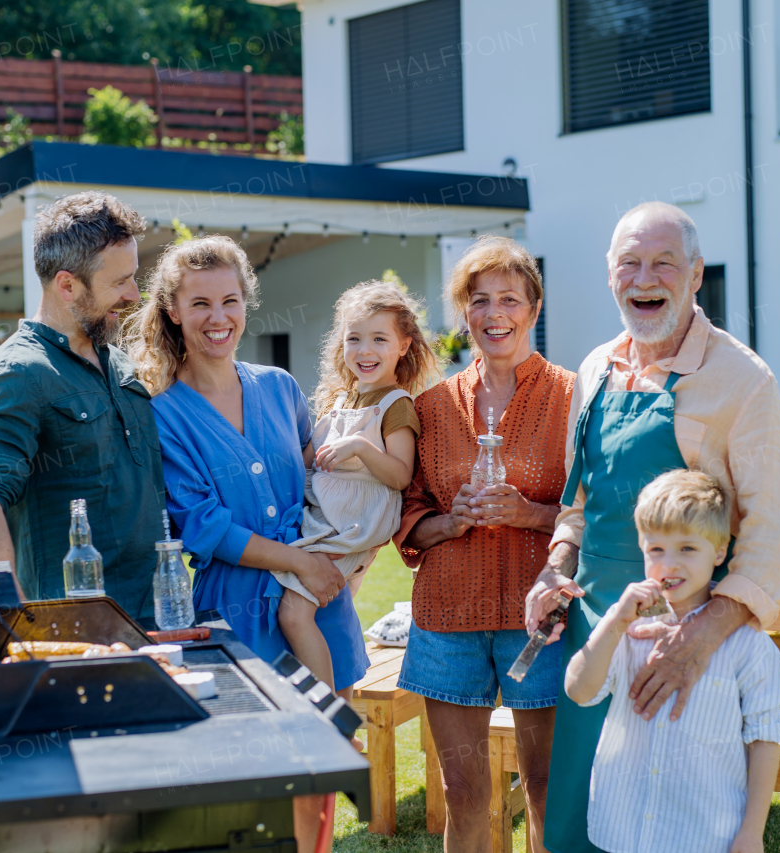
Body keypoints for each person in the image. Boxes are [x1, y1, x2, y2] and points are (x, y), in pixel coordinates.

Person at [524, 201, 780, 853]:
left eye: (663, 263)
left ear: (696, 273)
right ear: (609, 275)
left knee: (668, 821)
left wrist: (698, 642)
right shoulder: (594, 370)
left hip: (684, 651)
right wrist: (555, 566)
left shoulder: (744, 381)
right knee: (577, 816)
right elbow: (579, 499)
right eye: (630, 262)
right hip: (596, 635)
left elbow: (779, 533)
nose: (644, 277)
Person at [124, 235, 367, 849]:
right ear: (173, 310)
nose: (218, 318)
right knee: (255, 788)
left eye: (230, 300)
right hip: (233, 612)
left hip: (316, 603)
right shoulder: (161, 410)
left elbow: (323, 481)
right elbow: (201, 524)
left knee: (322, 773)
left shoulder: (279, 387)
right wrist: (301, 563)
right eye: (200, 303)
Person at [394, 236, 575, 853]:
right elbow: (406, 508)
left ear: (534, 307)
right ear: (462, 312)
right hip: (449, 619)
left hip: (544, 620)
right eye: (479, 301)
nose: (494, 314)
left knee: (549, 786)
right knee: (464, 792)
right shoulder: (431, 406)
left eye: (509, 299)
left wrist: (530, 513)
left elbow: (593, 509)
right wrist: (449, 522)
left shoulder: (575, 398)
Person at [0, 191, 167, 622]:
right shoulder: (20, 372)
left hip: (161, 617)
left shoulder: (119, 361)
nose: (134, 294)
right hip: (77, 633)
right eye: (119, 282)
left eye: (133, 276)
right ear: (67, 285)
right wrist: (9, 620)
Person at [566, 470, 780, 853]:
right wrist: (615, 622)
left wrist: (752, 832)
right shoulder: (626, 625)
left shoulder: (748, 644)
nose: (670, 564)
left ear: (719, 552)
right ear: (641, 547)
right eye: (656, 550)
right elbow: (579, 689)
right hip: (626, 827)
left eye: (688, 549)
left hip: (706, 832)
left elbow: (764, 739)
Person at [277, 281, 439, 688]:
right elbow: (311, 457)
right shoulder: (342, 400)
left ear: (403, 345)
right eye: (354, 338)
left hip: (352, 528)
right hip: (325, 519)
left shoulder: (395, 404)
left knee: (293, 614)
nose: (365, 350)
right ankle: (331, 703)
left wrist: (361, 448)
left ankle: (329, 712)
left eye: (379, 339)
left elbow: (400, 474)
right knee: (317, 614)